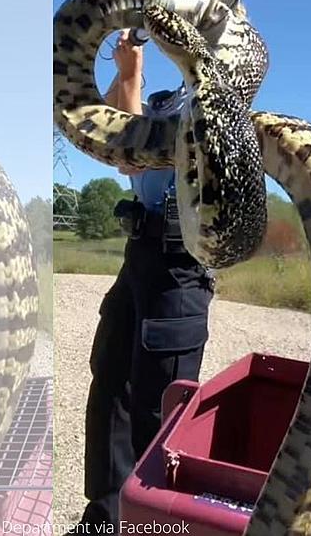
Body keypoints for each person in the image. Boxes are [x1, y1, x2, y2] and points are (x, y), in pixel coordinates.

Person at [79, 29, 215, 530]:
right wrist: (123, 73)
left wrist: (132, 75)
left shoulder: (218, 98)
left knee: (157, 408)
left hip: (179, 259)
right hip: (139, 250)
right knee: (110, 383)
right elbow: (116, 149)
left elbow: (136, 151)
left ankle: (152, 522)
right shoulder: (164, 101)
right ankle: (105, 517)